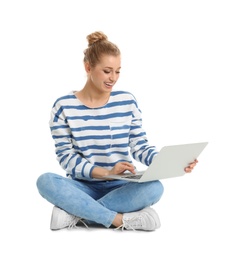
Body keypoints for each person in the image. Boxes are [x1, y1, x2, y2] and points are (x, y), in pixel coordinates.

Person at [36, 31, 198, 231]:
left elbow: (139, 145)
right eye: (107, 71)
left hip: (120, 187)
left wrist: (170, 163)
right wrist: (106, 172)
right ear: (88, 68)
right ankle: (120, 220)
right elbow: (66, 158)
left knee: (155, 187)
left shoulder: (126, 101)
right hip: (82, 187)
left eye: (118, 71)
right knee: (45, 181)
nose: (113, 78)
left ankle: (77, 214)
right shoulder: (63, 106)